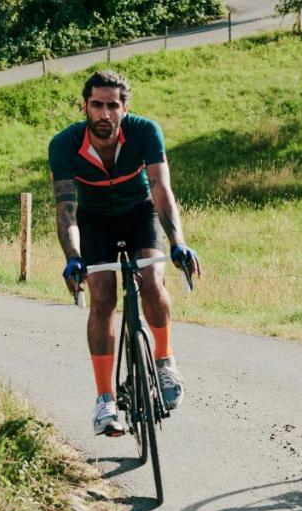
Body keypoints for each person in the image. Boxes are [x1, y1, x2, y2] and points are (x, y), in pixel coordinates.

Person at [50, 71, 202, 436]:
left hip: (140, 214)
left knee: (152, 278)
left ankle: (165, 361)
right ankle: (105, 399)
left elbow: (162, 189)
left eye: (113, 106)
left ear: (124, 108)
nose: (105, 114)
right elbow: (66, 209)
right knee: (101, 295)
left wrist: (178, 241)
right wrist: (73, 256)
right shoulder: (64, 144)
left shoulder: (145, 131)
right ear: (85, 106)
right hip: (95, 222)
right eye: (97, 105)